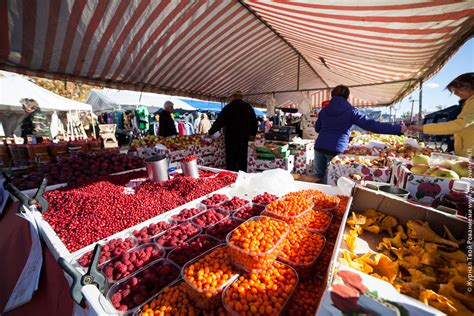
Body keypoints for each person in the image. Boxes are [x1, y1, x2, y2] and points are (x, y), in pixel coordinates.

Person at [314, 85, 406, 183]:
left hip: (319, 146)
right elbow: (371, 125)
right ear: (347, 96)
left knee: (317, 177)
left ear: (332, 95)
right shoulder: (351, 111)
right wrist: (398, 129)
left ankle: (312, 195)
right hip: (336, 149)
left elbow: (317, 129)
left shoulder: (324, 111)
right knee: (332, 179)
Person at [410, 73, 474, 157]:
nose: (455, 93)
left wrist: (423, 128)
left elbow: (458, 125)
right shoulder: (467, 102)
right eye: (454, 91)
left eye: (458, 89)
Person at [208, 91, 258, 172]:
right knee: (242, 159)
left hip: (231, 138)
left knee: (231, 159)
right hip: (243, 138)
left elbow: (219, 121)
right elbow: (254, 122)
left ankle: (231, 177)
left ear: (233, 97)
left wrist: (211, 131)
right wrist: (253, 134)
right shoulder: (248, 107)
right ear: (241, 97)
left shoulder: (228, 107)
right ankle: (242, 176)